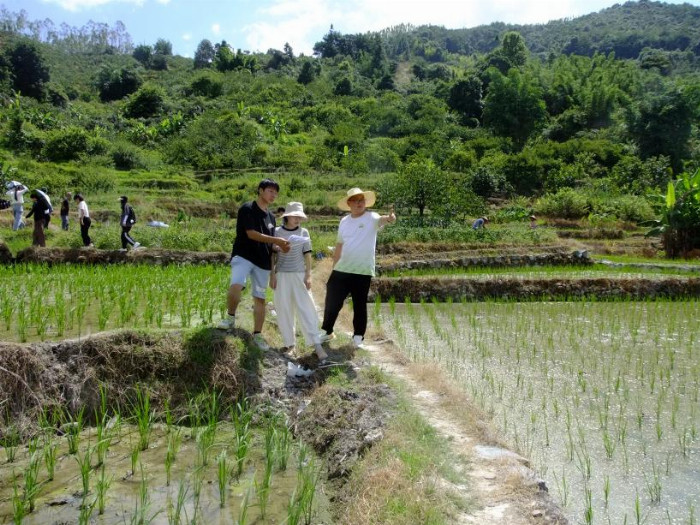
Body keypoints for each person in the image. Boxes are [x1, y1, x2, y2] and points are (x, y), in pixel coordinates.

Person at [217, 179, 290, 351]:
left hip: (263, 261)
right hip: (244, 255)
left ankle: (257, 334)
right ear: (260, 190)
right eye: (270, 191)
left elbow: (270, 245)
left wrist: (279, 247)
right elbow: (251, 234)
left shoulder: (271, 217)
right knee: (236, 284)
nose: (274, 195)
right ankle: (230, 318)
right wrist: (276, 239)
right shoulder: (247, 208)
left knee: (260, 298)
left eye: (276, 193)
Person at [320, 187, 396, 349]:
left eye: (361, 200)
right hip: (342, 269)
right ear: (349, 204)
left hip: (362, 271)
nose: (359, 203)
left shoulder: (372, 217)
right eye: (355, 200)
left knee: (359, 304)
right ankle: (327, 331)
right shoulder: (344, 221)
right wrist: (334, 267)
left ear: (365, 203)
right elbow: (339, 245)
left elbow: (384, 220)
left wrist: (390, 218)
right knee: (332, 300)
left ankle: (358, 336)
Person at [270, 202, 327, 361]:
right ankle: (290, 345)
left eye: (299, 217)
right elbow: (272, 255)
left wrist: (308, 275)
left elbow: (307, 255)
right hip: (281, 274)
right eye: (295, 216)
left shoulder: (304, 232)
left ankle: (316, 344)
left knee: (307, 307)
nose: (297, 219)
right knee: (284, 309)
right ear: (287, 216)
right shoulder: (276, 231)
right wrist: (272, 275)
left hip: (299, 274)